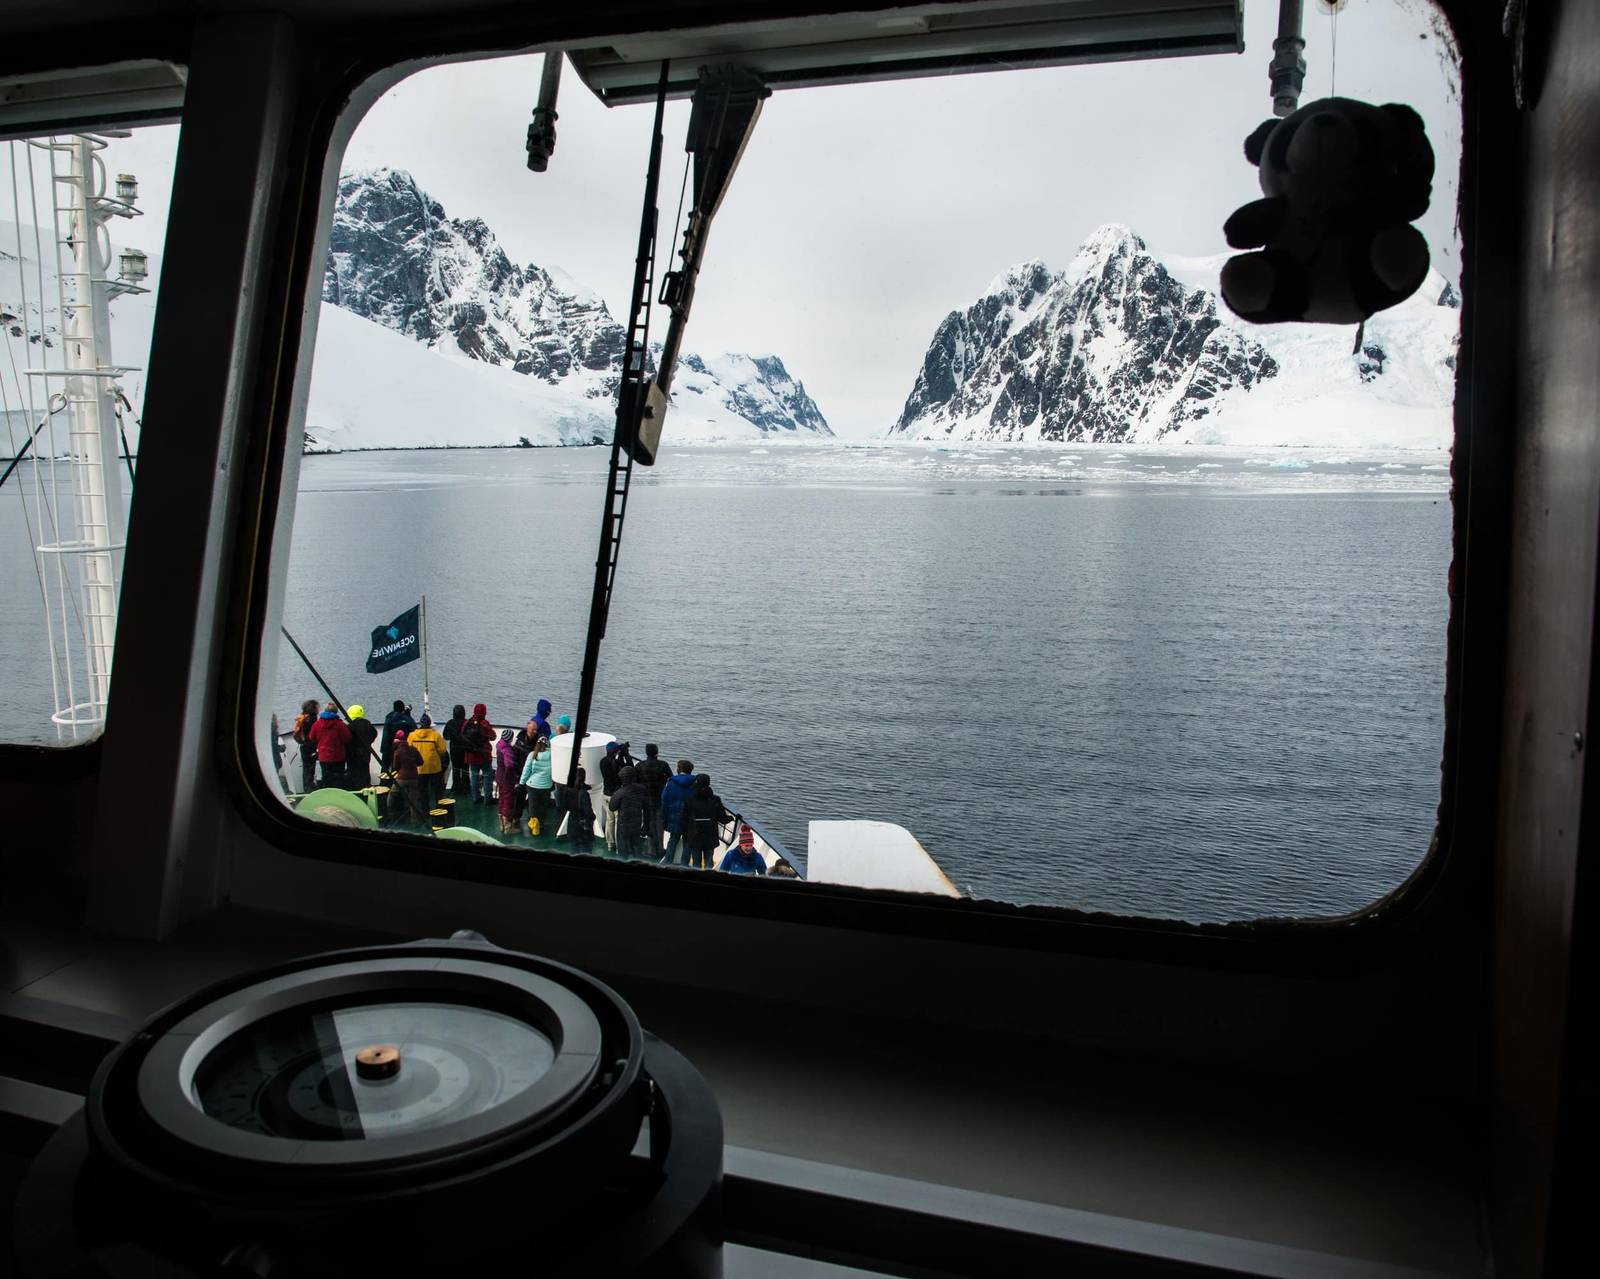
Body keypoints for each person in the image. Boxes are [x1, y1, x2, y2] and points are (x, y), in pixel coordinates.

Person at [681, 773, 731, 871]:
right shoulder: (715, 799)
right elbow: (723, 819)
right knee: (709, 862)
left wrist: (686, 835)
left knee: (696, 863)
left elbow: (684, 819)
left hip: (694, 836)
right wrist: (732, 818)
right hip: (710, 836)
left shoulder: (689, 800)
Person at [635, 743, 672, 857]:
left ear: (646, 752)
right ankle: (660, 849)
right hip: (660, 798)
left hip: (646, 799)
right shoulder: (663, 765)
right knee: (659, 824)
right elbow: (671, 778)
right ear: (657, 752)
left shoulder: (639, 766)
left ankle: (651, 849)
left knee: (649, 823)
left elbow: (636, 781)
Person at [306, 701, 351, 789]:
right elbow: (347, 738)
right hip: (338, 757)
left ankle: (328, 797)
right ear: (336, 711)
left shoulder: (317, 724)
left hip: (324, 757)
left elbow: (311, 737)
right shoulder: (340, 725)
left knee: (326, 779)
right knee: (338, 780)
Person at [607, 765, 649, 859]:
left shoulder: (620, 792)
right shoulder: (642, 789)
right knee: (636, 847)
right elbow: (647, 809)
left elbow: (612, 807)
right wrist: (646, 825)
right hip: (637, 823)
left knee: (622, 850)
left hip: (623, 825)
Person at [659, 759, 696, 865]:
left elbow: (664, 799)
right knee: (687, 842)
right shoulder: (695, 783)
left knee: (673, 839)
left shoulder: (671, 782)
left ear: (679, 769)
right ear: (690, 770)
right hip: (689, 818)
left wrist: (664, 816)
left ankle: (667, 860)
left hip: (674, 815)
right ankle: (684, 864)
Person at [408, 713, 448, 810]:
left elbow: (409, 749)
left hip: (419, 768)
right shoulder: (435, 735)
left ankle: (425, 810)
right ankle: (439, 809)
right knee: (437, 791)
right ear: (430, 724)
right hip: (434, 767)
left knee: (423, 790)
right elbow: (442, 750)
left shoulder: (412, 735)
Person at [519, 736, 554, 835]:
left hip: (532, 785)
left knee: (533, 806)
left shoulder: (532, 755)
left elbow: (526, 770)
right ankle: (541, 824)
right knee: (543, 806)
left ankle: (534, 827)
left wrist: (522, 783)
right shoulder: (552, 755)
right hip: (546, 785)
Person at [462, 703, 495, 803]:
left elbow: (462, 735)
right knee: (487, 775)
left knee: (474, 775)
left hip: (471, 755)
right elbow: (493, 736)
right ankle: (487, 798)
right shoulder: (484, 724)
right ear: (484, 713)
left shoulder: (467, 723)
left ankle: (475, 797)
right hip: (483, 754)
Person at [389, 730, 424, 827]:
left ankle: (392, 816)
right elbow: (421, 762)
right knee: (413, 801)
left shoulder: (397, 751)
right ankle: (415, 822)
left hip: (402, 778)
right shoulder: (413, 749)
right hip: (414, 778)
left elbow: (395, 767)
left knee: (392, 796)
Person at [561, 766, 596, 854]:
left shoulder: (566, 791)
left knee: (573, 849)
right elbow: (587, 811)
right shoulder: (583, 793)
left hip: (572, 825)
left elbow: (563, 806)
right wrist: (593, 817)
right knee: (586, 851)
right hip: (583, 828)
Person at [345, 704, 378, 789]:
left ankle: (355, 789)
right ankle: (366, 787)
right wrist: (368, 743)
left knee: (353, 772)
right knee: (365, 770)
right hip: (365, 752)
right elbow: (374, 733)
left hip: (353, 753)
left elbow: (346, 739)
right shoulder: (367, 723)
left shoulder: (350, 726)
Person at [494, 728, 519, 836]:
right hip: (506, 779)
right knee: (508, 801)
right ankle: (508, 827)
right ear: (510, 738)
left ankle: (502, 825)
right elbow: (509, 765)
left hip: (499, 776)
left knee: (502, 799)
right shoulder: (507, 750)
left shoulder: (499, 746)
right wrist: (511, 776)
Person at [292, 697, 319, 792]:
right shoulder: (311, 719)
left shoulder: (303, 717)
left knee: (306, 768)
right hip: (310, 746)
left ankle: (307, 787)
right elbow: (313, 734)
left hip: (304, 746)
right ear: (313, 708)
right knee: (310, 768)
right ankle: (309, 788)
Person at [442, 703, 469, 797]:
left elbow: (446, 736)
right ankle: (466, 788)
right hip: (465, 750)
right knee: (465, 769)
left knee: (456, 769)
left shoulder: (450, 723)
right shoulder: (467, 723)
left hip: (454, 750)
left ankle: (456, 788)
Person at [380, 700, 415, 772]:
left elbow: (386, 735)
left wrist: (384, 749)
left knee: (385, 770)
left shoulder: (389, 717)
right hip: (402, 749)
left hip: (387, 748)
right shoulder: (406, 719)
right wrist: (407, 714)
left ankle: (384, 782)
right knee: (399, 769)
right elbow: (414, 729)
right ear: (402, 708)